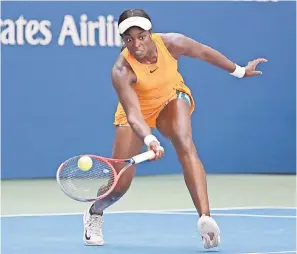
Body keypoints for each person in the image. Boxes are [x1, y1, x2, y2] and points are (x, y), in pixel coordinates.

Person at [83, 9, 267, 249]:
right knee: (120, 184)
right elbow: (134, 115)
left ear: (151, 33)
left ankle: (205, 219)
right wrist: (149, 140)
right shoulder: (121, 70)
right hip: (137, 113)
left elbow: (204, 53)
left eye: (141, 36)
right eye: (129, 39)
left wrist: (239, 71)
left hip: (171, 98)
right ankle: (95, 212)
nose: (136, 43)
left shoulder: (172, 43)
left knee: (184, 142)